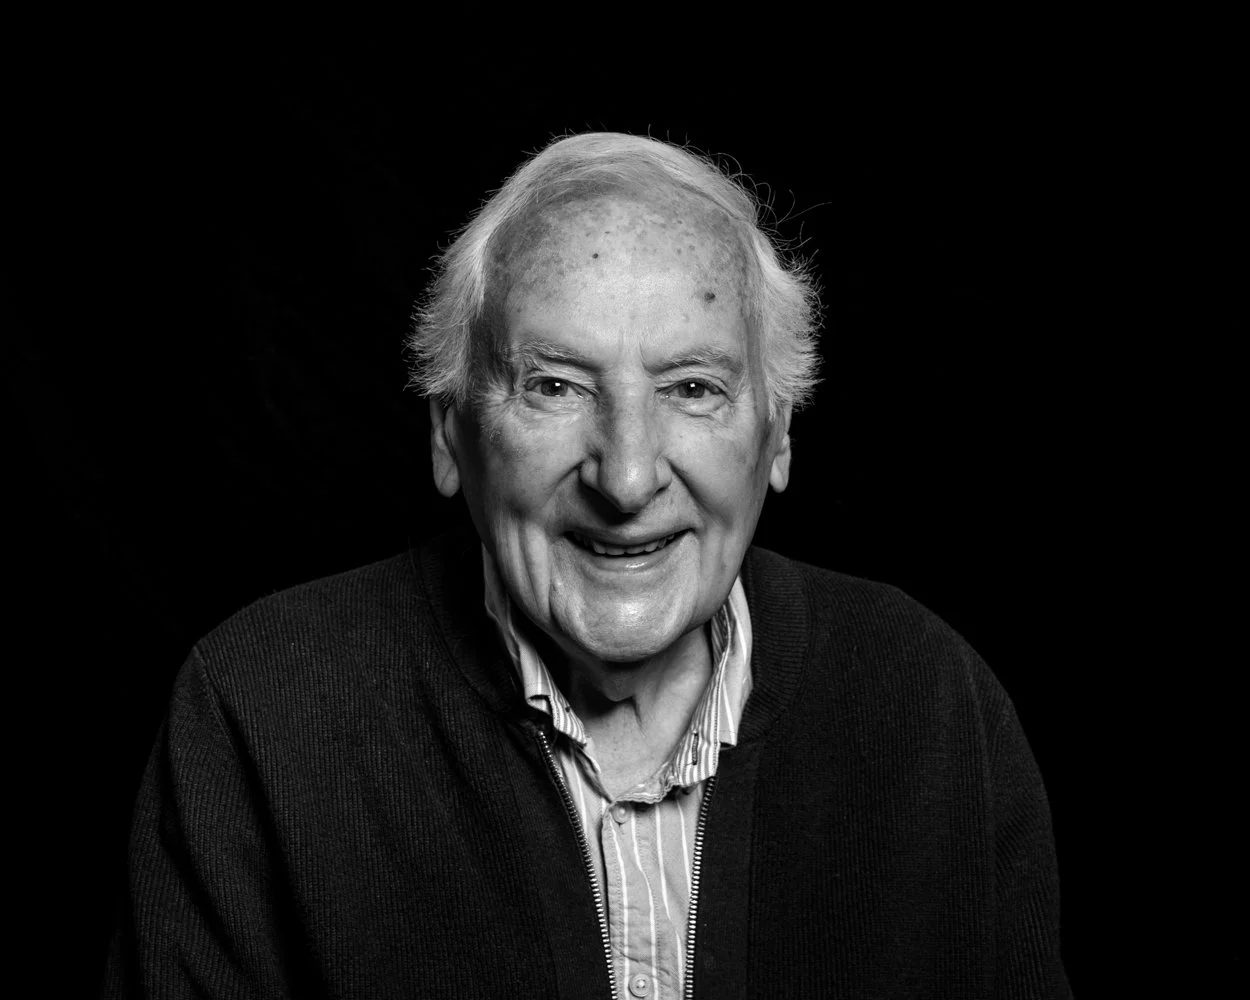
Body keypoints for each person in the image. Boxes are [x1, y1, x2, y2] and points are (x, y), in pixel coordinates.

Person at [102, 132, 1071, 998]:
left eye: (692, 388)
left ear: (776, 435)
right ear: (451, 435)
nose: (627, 476)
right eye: (556, 385)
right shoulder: (262, 710)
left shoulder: (928, 698)